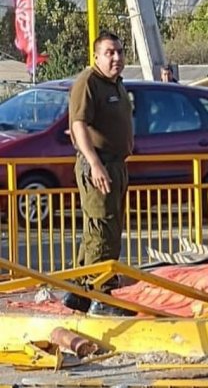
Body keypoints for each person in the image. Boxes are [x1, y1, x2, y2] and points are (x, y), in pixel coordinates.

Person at [61, 31, 135, 316]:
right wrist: (94, 163)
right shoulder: (88, 82)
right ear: (96, 56)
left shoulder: (116, 84)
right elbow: (78, 125)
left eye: (119, 51)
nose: (116, 57)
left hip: (116, 164)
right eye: (109, 52)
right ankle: (102, 296)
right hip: (99, 165)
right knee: (103, 229)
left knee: (104, 228)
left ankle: (79, 292)